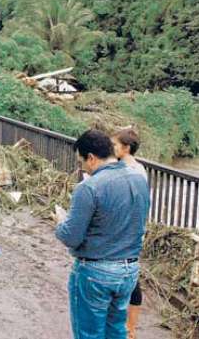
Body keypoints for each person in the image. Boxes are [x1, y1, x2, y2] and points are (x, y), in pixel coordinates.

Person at [55, 129, 150, 339]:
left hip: (96, 273)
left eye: (81, 161)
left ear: (90, 157)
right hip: (129, 271)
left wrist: (60, 223)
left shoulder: (88, 187)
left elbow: (71, 236)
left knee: (89, 334)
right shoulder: (138, 178)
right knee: (116, 330)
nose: (82, 167)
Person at [112, 128, 148, 339]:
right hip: (130, 231)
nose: (112, 148)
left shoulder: (132, 171)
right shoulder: (136, 168)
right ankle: (127, 327)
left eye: (115, 145)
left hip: (127, 232)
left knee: (131, 278)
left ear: (126, 148)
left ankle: (130, 328)